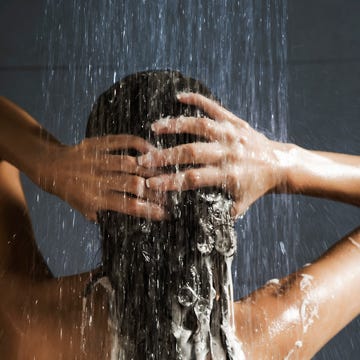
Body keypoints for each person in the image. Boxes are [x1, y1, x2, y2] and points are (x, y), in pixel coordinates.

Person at [0, 70, 359, 359]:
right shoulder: (273, 335)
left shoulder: (27, 323)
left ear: (97, 202)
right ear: (221, 211)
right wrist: (283, 164)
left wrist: (50, 163)